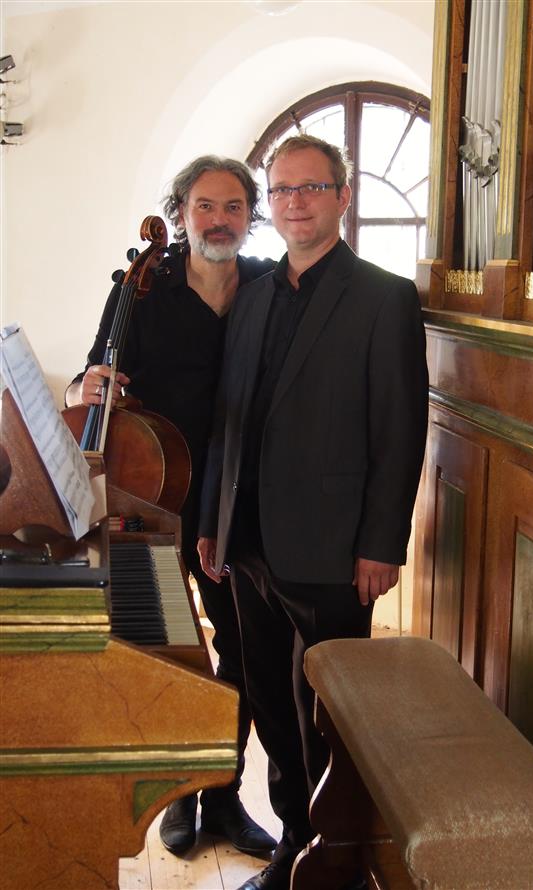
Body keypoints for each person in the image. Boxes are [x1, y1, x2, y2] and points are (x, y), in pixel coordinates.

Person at [198, 135, 429, 890]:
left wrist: (381, 543)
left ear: (342, 197)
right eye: (282, 190)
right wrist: (213, 520)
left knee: (327, 712)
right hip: (248, 540)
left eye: (311, 188)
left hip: (333, 545)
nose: (294, 202)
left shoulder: (384, 297)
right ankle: (295, 845)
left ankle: (339, 859)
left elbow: (400, 429)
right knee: (269, 699)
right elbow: (228, 418)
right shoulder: (253, 293)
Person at [65, 155, 277, 859]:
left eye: (233, 206)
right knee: (165, 652)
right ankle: (180, 795)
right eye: (204, 206)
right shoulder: (143, 289)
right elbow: (89, 378)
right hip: (151, 499)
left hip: (238, 503)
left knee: (241, 651)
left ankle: (224, 796)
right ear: (181, 214)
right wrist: (86, 387)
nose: (219, 220)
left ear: (250, 216)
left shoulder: (270, 286)